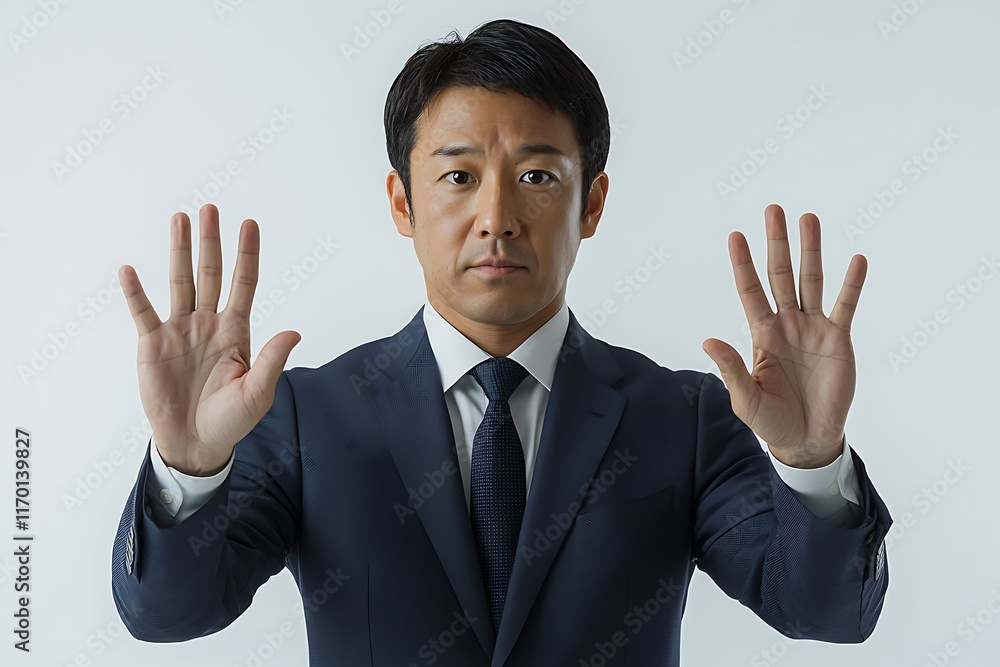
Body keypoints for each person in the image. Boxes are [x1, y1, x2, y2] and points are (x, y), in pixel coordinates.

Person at [110, 18, 892, 666]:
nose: (496, 217)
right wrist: (189, 466)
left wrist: (812, 461)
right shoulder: (305, 416)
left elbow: (823, 612)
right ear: (402, 202)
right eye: (458, 177)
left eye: (537, 176)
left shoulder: (683, 416)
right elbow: (170, 614)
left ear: (592, 203)